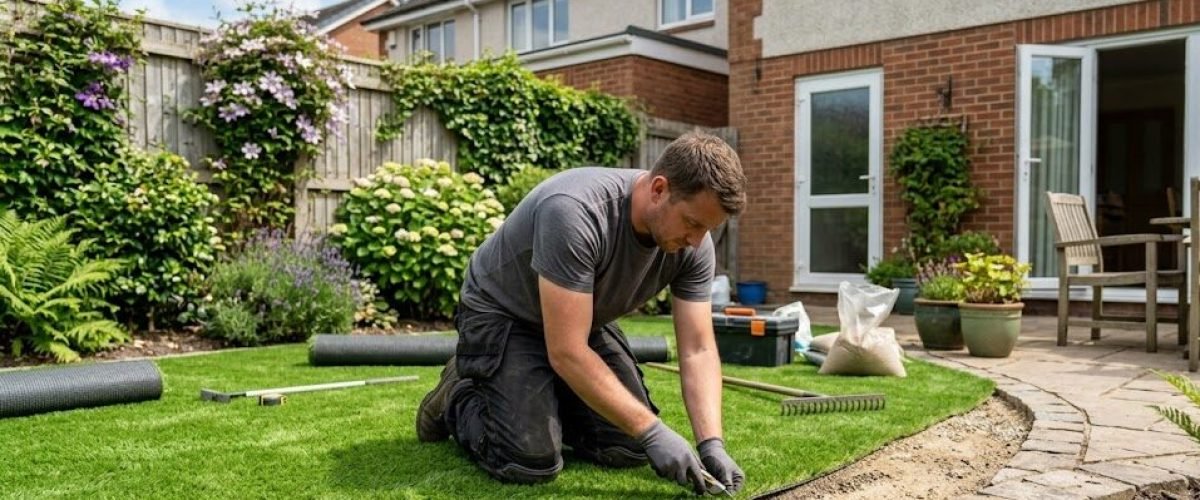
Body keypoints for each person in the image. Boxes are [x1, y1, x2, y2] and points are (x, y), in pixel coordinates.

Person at [415, 131, 747, 495]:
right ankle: (458, 392)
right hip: (502, 314)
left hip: (578, 319)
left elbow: (697, 349)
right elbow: (567, 351)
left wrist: (711, 443)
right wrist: (653, 430)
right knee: (529, 460)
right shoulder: (575, 211)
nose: (698, 241)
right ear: (658, 189)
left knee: (630, 446)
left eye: (709, 229)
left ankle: (538, 392)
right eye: (693, 223)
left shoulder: (694, 246)